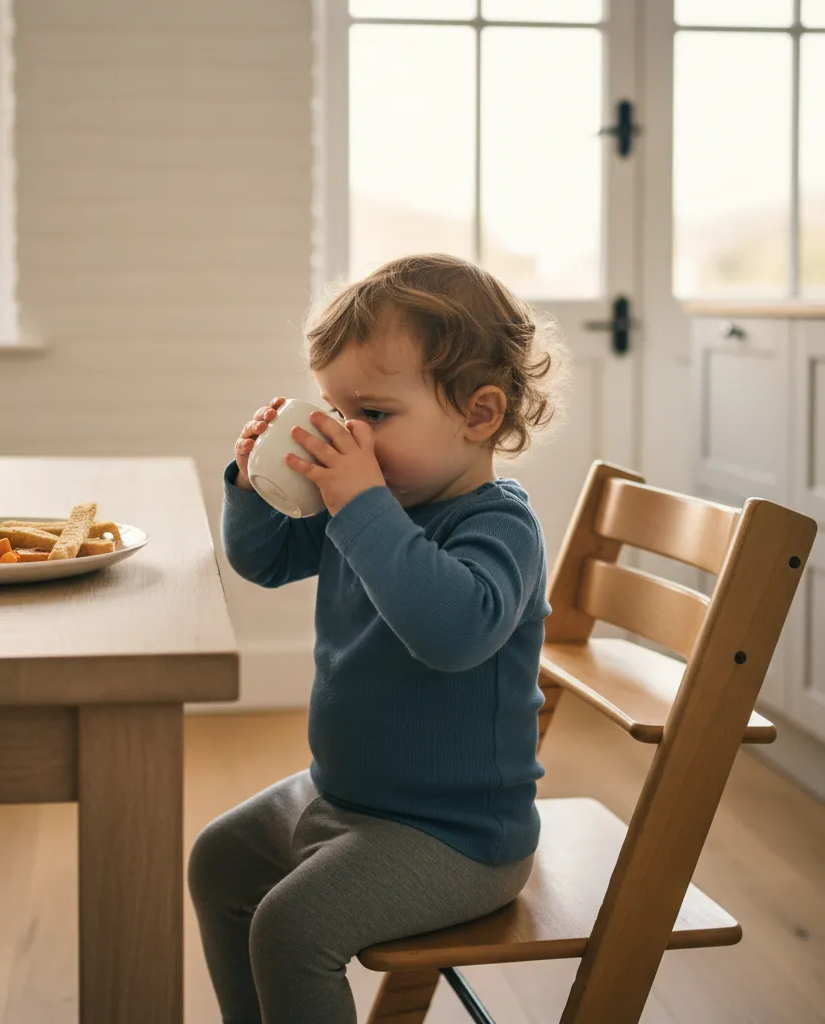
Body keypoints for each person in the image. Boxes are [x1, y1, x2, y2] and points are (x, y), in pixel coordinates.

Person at [189, 252, 567, 1023]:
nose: (343, 436)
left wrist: (360, 504)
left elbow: (452, 632)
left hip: (455, 838)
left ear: (479, 415)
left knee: (292, 928)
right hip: (342, 794)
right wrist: (253, 480)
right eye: (332, 410)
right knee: (219, 861)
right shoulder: (367, 498)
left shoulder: (497, 526)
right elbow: (263, 560)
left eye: (374, 415)